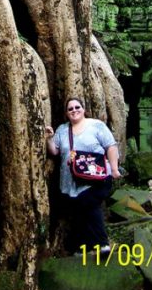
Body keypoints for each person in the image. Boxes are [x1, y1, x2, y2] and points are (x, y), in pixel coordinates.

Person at [45, 97, 121, 255]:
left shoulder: (96, 126)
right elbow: (54, 151)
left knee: (89, 204)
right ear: (66, 113)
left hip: (97, 177)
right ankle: (82, 247)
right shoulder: (63, 130)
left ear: (83, 109)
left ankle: (102, 244)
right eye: (70, 109)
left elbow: (111, 146)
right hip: (72, 181)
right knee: (79, 211)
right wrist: (48, 138)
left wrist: (114, 169)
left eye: (77, 107)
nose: (74, 110)